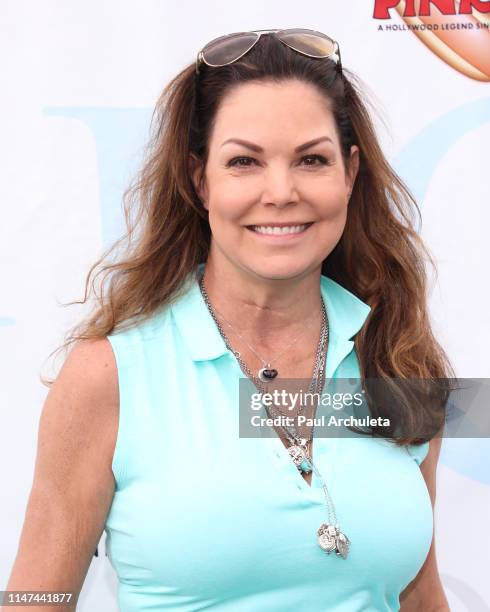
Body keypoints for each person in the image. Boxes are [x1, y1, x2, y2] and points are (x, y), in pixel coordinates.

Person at [4, 29, 454, 611]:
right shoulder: (108, 377)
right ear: (200, 180)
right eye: (244, 162)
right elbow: (34, 599)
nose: (281, 191)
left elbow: (422, 595)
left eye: (311, 160)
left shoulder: (401, 360)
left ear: (349, 172)